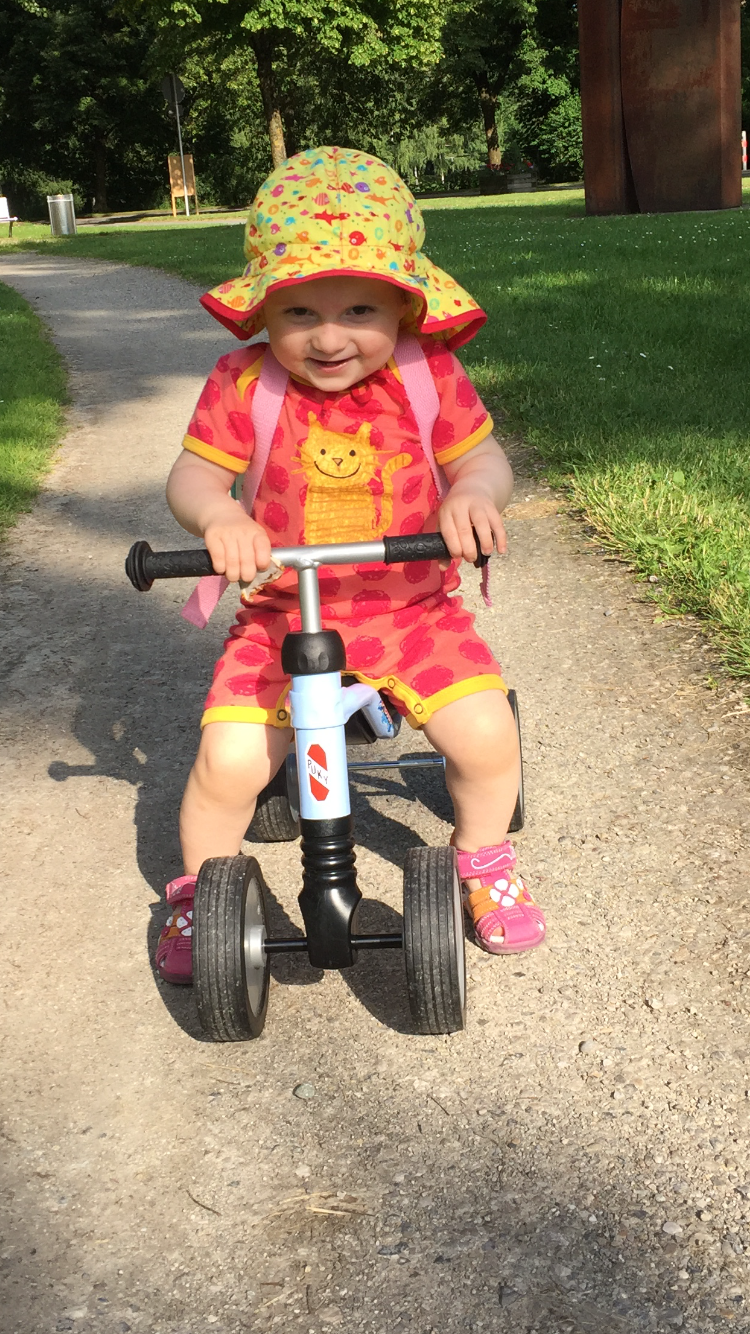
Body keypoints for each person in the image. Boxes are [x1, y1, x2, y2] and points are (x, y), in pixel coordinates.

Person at [156, 146, 546, 985]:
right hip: (282, 618)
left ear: (406, 305)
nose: (329, 338)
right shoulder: (242, 383)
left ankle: (484, 858)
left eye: (360, 308)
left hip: (412, 610)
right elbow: (192, 477)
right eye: (299, 311)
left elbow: (484, 461)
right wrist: (219, 515)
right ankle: (197, 894)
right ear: (265, 309)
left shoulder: (427, 373)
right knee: (227, 765)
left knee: (486, 735)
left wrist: (474, 494)